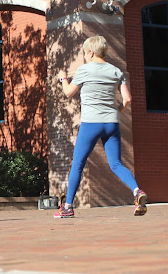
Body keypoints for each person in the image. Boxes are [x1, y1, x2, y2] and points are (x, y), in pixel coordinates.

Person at [54, 35, 147, 218]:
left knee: (78, 164)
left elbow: (68, 93)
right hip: (112, 123)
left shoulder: (84, 70)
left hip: (91, 123)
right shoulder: (116, 71)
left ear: (90, 52)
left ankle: (67, 207)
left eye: (84, 53)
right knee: (116, 164)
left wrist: (63, 78)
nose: (84, 57)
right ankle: (137, 191)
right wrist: (117, 110)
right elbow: (127, 99)